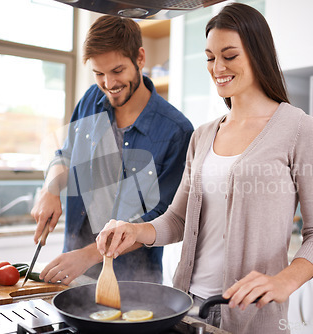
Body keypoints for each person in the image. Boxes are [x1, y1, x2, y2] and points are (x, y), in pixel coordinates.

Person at [96, 3, 313, 333]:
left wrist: (284, 281)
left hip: (252, 315)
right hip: (186, 307)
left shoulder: (300, 130)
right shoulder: (203, 135)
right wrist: (135, 230)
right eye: (210, 57)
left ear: (257, 54)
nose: (217, 67)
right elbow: (178, 219)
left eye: (229, 55)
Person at [31, 15, 194, 285]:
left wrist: (89, 255)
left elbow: (161, 220)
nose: (108, 83)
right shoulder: (90, 100)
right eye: (98, 73)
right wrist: (51, 189)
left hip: (134, 283)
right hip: (73, 270)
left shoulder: (177, 132)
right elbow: (66, 154)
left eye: (117, 71)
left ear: (140, 58)